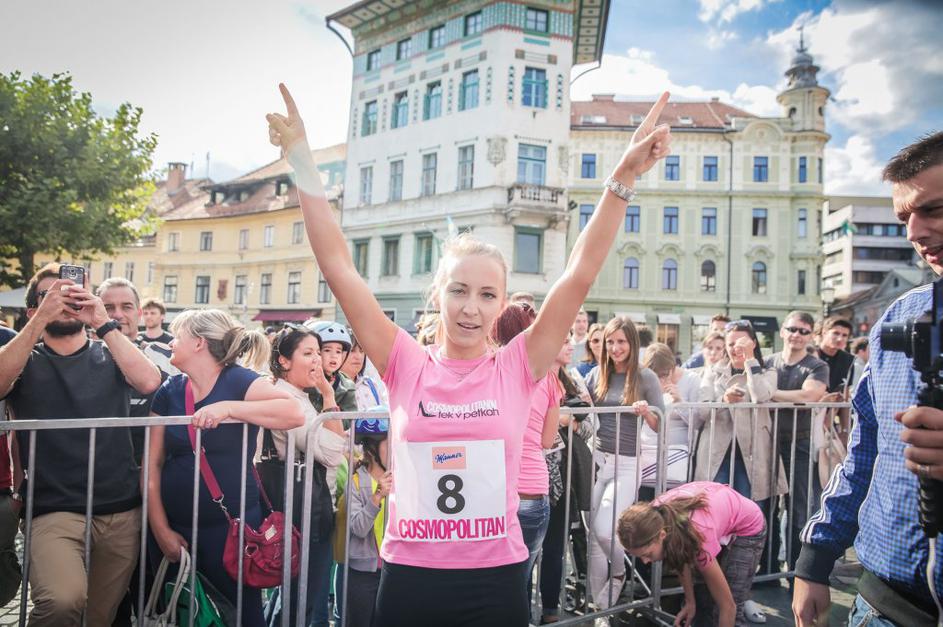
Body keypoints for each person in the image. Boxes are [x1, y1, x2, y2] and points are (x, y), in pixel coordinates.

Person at [266, 83, 671, 626]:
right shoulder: (404, 359)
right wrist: (302, 162)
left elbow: (579, 273)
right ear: (438, 294)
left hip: (495, 579)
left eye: (486, 295)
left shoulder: (518, 365)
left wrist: (623, 177)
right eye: (458, 291)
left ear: (501, 304)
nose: (470, 308)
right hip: (410, 576)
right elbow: (338, 265)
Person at [793, 132, 943, 626]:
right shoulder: (899, 318)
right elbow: (865, 450)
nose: (915, 232)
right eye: (904, 217)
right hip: (882, 605)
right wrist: (816, 558)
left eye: (934, 209)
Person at [0, 262, 161, 626]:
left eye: (72, 293)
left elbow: (149, 382)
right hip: (52, 508)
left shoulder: (111, 352)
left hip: (119, 509)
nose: (62, 301)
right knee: (62, 601)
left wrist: (102, 321)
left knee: (99, 617)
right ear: (32, 309)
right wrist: (39, 321)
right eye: (49, 295)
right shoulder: (25, 358)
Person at [145, 309, 303, 627]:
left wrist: (229, 408)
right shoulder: (170, 389)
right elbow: (152, 465)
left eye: (178, 335)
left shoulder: (237, 380)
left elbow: (293, 413)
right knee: (183, 615)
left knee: (242, 616)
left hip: (231, 531)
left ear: (199, 343)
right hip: (176, 531)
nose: (171, 342)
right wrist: (161, 530)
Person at [264, 325, 347, 627]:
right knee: (301, 600)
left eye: (317, 353)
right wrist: (328, 394)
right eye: (308, 353)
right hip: (305, 510)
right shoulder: (288, 399)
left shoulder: (295, 395)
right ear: (284, 360)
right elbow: (333, 454)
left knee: (290, 597)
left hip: (305, 505)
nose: (317, 361)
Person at [582, 316, 666, 609]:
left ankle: (618, 573)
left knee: (606, 530)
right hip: (597, 461)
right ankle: (599, 609)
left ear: (632, 343)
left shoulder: (645, 377)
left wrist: (646, 412)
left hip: (627, 463)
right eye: (610, 342)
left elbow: (661, 424)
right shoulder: (596, 375)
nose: (615, 348)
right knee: (593, 538)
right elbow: (583, 413)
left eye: (621, 342)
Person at [619, 481, 766, 627]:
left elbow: (727, 606)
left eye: (647, 554)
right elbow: (679, 555)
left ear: (662, 535)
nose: (645, 561)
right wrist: (690, 601)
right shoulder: (652, 518)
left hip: (748, 528)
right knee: (702, 600)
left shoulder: (698, 537)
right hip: (713, 518)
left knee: (730, 603)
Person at [492, 303, 562, 590]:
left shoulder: (489, 369)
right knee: (519, 585)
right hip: (532, 490)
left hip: (495, 491)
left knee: (492, 585)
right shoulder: (549, 378)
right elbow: (548, 440)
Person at [764, 310, 828, 572]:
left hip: (799, 443)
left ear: (810, 336)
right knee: (766, 508)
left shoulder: (817, 366)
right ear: (782, 331)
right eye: (792, 329)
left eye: (803, 331)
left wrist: (770, 392)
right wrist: (785, 395)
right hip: (767, 442)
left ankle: (795, 573)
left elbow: (810, 395)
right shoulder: (768, 362)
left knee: (798, 511)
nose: (797, 335)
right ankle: (767, 569)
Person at [336, 418, 392, 627]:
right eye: (389, 444)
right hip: (363, 574)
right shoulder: (356, 483)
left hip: (394, 570)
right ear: (371, 449)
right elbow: (358, 528)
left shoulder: (403, 479)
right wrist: (377, 497)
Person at [640, 342, 698, 488]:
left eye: (664, 375)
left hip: (678, 455)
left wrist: (680, 402)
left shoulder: (691, 379)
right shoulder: (643, 379)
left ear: (673, 367)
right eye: (655, 376)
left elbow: (699, 421)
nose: (661, 380)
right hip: (647, 451)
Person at [340, 328, 390, 411]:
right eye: (352, 351)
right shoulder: (333, 387)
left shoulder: (371, 385)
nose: (358, 356)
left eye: (361, 351)